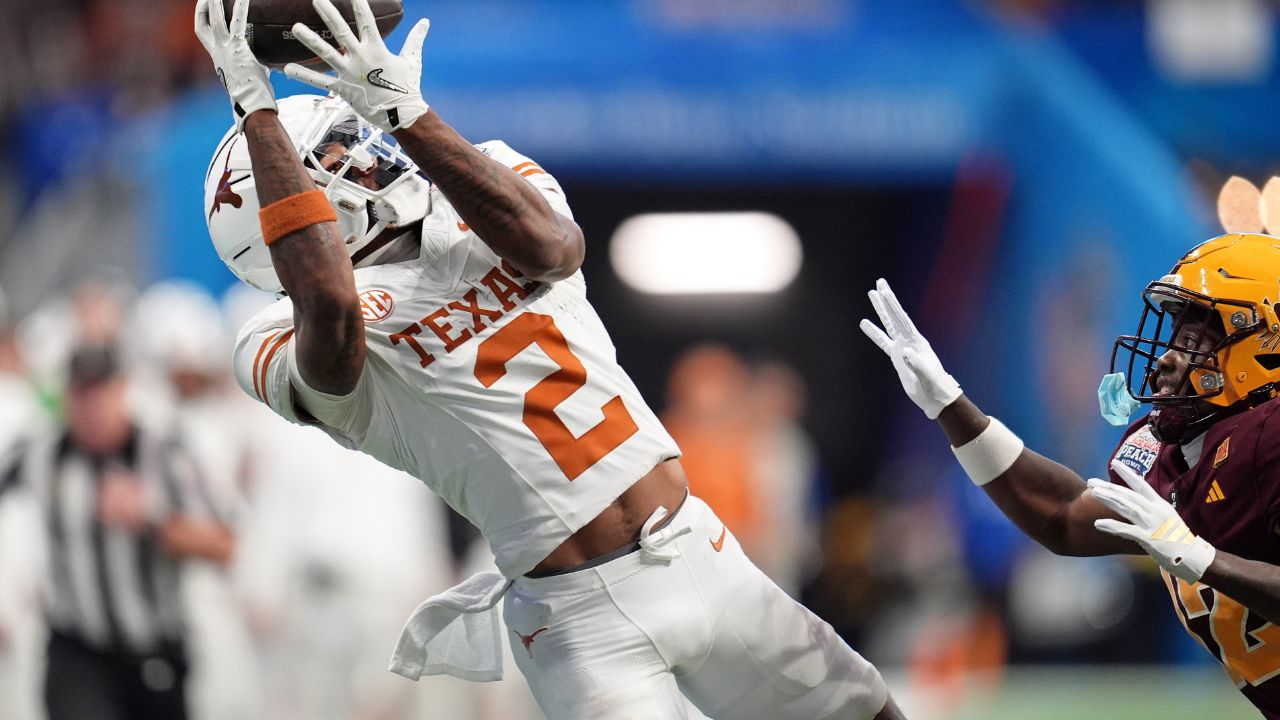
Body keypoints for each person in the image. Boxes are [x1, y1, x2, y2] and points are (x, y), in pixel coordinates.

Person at [194, 0, 906, 718]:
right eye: (340, 156)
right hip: (581, 617)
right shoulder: (274, 337)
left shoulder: (482, 185)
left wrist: (404, 110)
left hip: (701, 548)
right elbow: (331, 306)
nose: (371, 156)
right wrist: (257, 111)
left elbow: (553, 246)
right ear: (295, 204)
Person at [860, 233, 1280, 718]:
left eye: (1192, 342)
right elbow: (1062, 516)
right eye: (1173, 337)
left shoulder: (1267, 440)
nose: (1165, 358)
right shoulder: (1171, 451)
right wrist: (950, 405)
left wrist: (1205, 560)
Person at [0, 344, 237, 720]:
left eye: (100, 391)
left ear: (123, 389)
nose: (90, 407)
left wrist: (154, 521)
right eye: (80, 393)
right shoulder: (42, 453)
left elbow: (226, 546)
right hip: (76, 650)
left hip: (154, 651)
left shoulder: (166, 453)